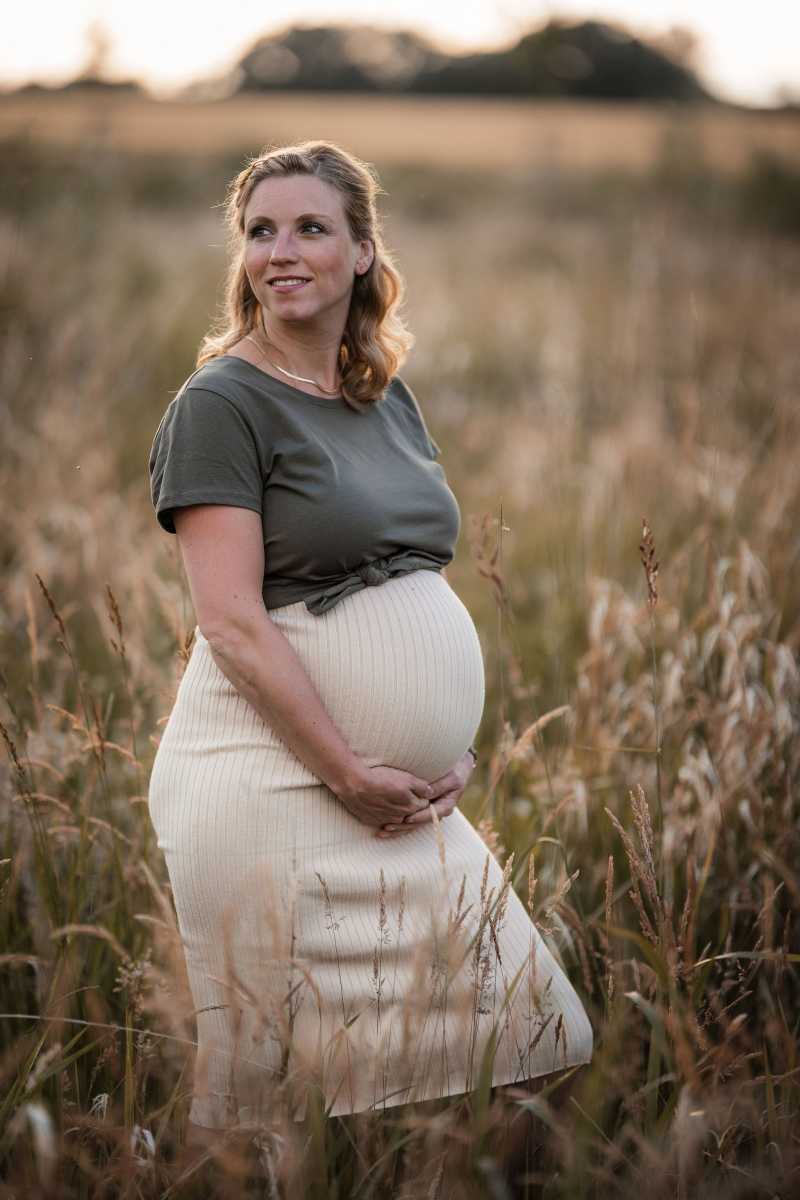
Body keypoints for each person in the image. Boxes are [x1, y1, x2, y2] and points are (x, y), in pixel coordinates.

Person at [147, 139, 593, 1167]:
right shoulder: (220, 404)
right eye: (260, 231)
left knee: (535, 1046)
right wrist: (346, 770)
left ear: (360, 251)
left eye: (310, 227)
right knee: (249, 1101)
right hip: (265, 784)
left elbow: (408, 576)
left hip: (399, 802)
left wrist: (447, 745)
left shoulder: (381, 395)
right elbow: (231, 624)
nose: (281, 250)